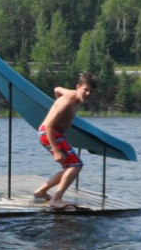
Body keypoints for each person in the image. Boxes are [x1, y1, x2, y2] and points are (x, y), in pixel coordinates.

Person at [33, 72, 98, 210]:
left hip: (53, 133)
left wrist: (57, 104)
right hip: (49, 133)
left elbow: (57, 89)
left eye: (91, 92)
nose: (87, 94)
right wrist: (56, 150)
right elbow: (49, 125)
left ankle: (41, 192)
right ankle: (56, 199)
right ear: (78, 86)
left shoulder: (71, 95)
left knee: (70, 167)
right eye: (85, 90)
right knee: (75, 165)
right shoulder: (67, 103)